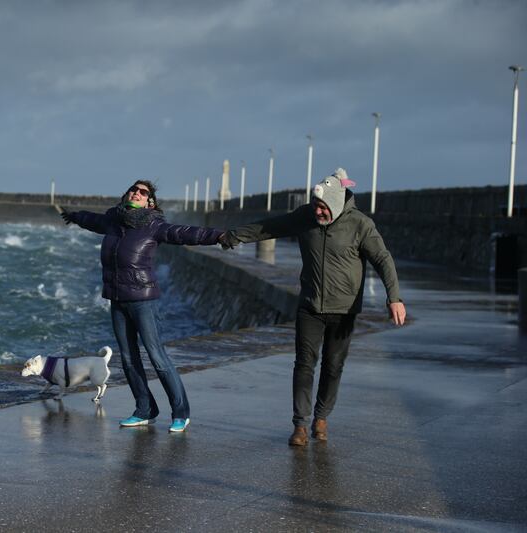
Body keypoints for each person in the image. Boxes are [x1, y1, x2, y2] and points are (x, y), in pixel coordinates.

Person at [219, 168, 406, 446]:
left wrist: (394, 298)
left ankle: (321, 417)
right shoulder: (306, 217)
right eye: (316, 206)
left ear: (336, 203)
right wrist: (234, 236)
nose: (318, 212)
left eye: (323, 207)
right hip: (310, 305)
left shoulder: (360, 224)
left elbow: (383, 259)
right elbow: (271, 226)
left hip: (344, 310)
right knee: (304, 364)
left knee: (333, 367)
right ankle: (300, 425)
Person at [61, 180, 223, 433]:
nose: (137, 193)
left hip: (143, 301)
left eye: (143, 192)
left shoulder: (153, 225)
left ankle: (181, 413)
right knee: (128, 359)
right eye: (134, 189)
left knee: (157, 357)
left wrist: (218, 236)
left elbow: (185, 233)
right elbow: (91, 219)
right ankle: (145, 409)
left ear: (150, 202)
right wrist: (73, 216)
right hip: (117, 299)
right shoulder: (113, 221)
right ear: (127, 194)